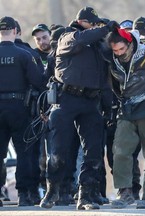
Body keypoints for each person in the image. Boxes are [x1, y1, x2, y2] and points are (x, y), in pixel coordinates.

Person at [39, 6, 119, 210]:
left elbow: (105, 79)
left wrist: (108, 107)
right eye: (93, 23)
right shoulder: (69, 36)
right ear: (84, 22)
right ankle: (53, 189)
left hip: (91, 101)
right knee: (58, 151)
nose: (97, 27)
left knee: (93, 152)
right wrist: (104, 28)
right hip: (66, 99)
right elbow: (83, 39)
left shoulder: (98, 47)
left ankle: (86, 195)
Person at [106, 28, 145, 209]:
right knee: (119, 149)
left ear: (130, 44)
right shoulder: (111, 60)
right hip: (127, 108)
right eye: (115, 51)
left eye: (121, 49)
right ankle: (125, 192)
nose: (119, 54)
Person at [0, 16, 46, 207]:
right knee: (24, 152)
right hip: (19, 107)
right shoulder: (24, 55)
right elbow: (39, 82)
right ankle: (24, 194)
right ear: (14, 31)